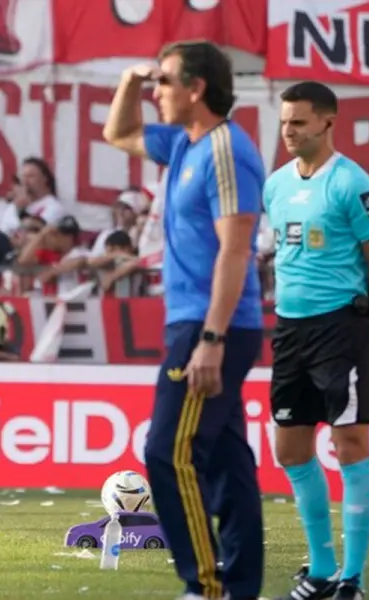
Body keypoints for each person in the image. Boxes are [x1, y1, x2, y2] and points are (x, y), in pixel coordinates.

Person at [103, 41, 266, 600]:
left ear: (196, 89)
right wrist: (130, 77)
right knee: (226, 459)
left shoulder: (226, 149)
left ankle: (206, 585)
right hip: (197, 322)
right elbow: (118, 134)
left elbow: (235, 251)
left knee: (168, 451)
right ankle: (238, 586)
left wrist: (213, 339)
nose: (156, 92)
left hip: (212, 324)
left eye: (164, 82)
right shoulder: (182, 144)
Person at [264, 82, 369, 600]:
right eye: (284, 122)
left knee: (349, 445)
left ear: (326, 122)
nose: (289, 131)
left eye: (298, 121)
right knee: (290, 448)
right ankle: (321, 570)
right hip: (290, 329)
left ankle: (352, 578)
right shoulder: (276, 185)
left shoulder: (351, 183)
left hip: (340, 326)